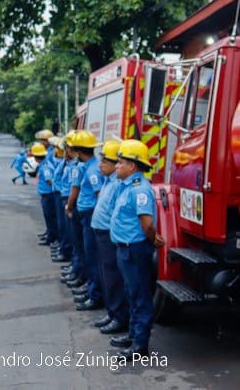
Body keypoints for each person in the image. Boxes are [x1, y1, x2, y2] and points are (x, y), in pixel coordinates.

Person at [110, 139, 164, 358]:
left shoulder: (140, 190)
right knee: (132, 294)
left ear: (132, 166)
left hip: (135, 250)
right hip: (125, 249)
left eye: (120, 162)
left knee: (140, 296)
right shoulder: (126, 186)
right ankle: (133, 335)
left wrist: (153, 239)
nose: (116, 166)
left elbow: (147, 224)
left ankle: (140, 346)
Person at [91, 140, 130, 335]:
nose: (100, 165)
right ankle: (111, 311)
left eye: (104, 162)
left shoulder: (118, 185)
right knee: (106, 275)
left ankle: (119, 316)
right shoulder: (108, 180)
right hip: (100, 233)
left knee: (114, 278)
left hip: (109, 235)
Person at [66, 129, 104, 311]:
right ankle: (91, 289)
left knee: (92, 257)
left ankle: (95, 295)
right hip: (85, 214)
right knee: (88, 255)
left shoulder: (93, 170)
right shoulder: (88, 166)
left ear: (80, 151)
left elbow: (99, 197)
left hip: (90, 216)